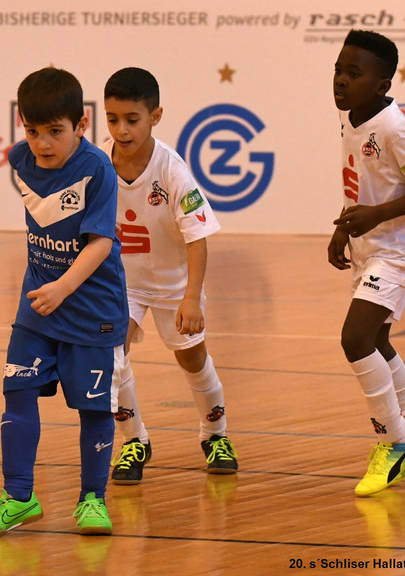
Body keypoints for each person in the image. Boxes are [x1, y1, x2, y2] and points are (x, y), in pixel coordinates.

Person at [0, 66, 128, 537]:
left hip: (92, 311)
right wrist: (47, 288)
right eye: (33, 131)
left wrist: (63, 287)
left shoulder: (97, 169)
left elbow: (101, 243)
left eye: (55, 131)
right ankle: (19, 498)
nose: (42, 143)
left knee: (94, 410)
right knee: (16, 394)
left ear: (81, 124)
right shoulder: (21, 160)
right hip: (37, 308)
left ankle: (92, 500)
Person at [100, 67, 238, 485]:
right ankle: (134, 440)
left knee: (192, 359)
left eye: (132, 119)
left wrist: (191, 297)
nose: (121, 130)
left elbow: (197, 238)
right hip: (123, 285)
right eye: (112, 119)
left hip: (173, 285)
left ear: (155, 116)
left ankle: (216, 435)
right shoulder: (99, 163)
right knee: (112, 358)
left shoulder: (172, 170)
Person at [329, 30, 405, 496]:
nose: (341, 80)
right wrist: (344, 228)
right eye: (338, 70)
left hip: (399, 250)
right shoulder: (351, 118)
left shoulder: (396, 130)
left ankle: (395, 443)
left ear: (382, 84)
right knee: (376, 340)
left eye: (353, 74)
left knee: (355, 338)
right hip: (370, 246)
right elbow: (360, 182)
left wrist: (376, 215)